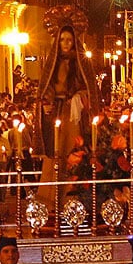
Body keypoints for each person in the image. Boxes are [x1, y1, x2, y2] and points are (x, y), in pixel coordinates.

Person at [36, 25, 98, 165]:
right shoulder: (52, 64)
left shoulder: (81, 63)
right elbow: (47, 86)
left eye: (69, 40)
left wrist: (79, 96)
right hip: (56, 112)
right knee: (56, 147)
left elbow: (89, 88)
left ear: (74, 42)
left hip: (74, 113)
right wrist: (46, 103)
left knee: (73, 145)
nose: (65, 43)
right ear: (57, 41)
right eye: (62, 39)